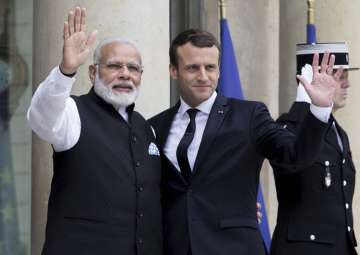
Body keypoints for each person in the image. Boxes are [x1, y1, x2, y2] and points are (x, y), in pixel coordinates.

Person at [149, 29, 342, 255]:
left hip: (235, 247)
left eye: (210, 67)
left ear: (219, 70)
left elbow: (294, 156)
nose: (203, 76)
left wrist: (318, 109)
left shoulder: (249, 115)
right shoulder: (154, 127)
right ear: (174, 71)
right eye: (192, 68)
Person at [27, 7, 162, 255]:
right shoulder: (72, 111)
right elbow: (41, 119)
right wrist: (65, 71)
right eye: (114, 66)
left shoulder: (146, 128)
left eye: (133, 68)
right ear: (93, 72)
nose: (125, 74)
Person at [270, 43, 358, 255]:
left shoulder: (339, 132)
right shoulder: (288, 127)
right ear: (312, 79)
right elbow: (291, 161)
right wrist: (304, 103)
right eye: (339, 76)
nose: (348, 84)